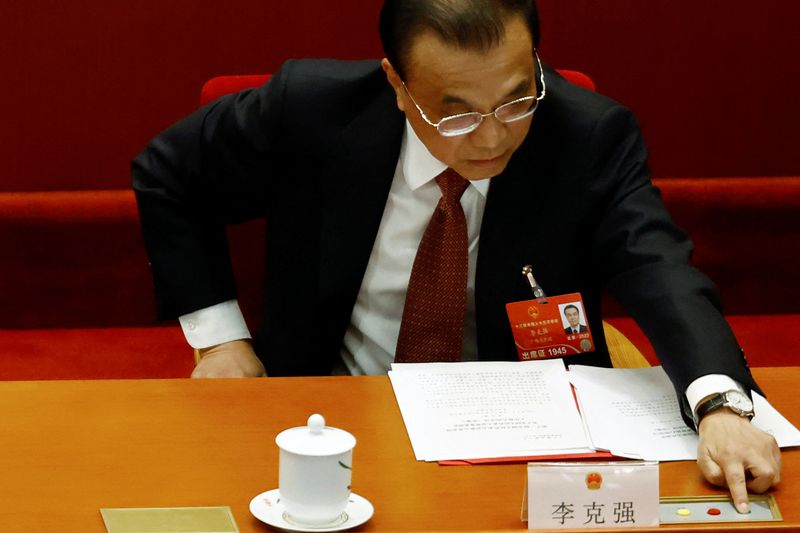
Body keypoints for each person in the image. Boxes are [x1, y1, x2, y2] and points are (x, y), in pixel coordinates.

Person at [132, 0, 780, 512]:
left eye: (516, 98)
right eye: (457, 114)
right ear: (396, 82)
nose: (494, 137)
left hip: (524, 439)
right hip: (334, 413)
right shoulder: (311, 109)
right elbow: (168, 174)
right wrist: (219, 339)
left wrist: (721, 404)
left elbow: (657, 265)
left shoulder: (590, 138)